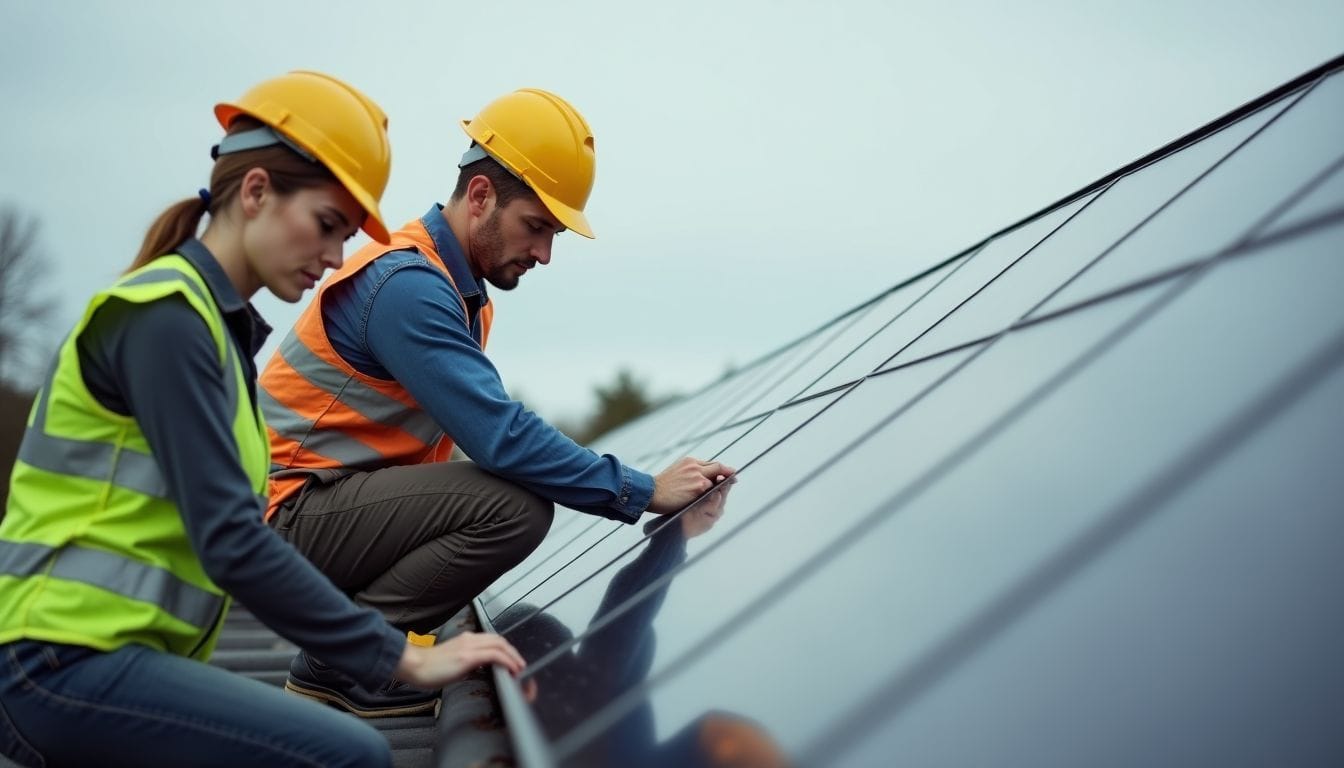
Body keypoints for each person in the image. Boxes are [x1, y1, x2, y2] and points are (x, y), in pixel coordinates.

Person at [0, 72, 527, 768]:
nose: (337, 257)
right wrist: (396, 657)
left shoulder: (214, 337)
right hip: (58, 666)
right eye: (327, 225)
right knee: (351, 754)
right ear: (255, 193)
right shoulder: (166, 322)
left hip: (111, 662)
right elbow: (232, 541)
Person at [257, 88, 733, 717]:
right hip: (287, 518)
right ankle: (347, 663)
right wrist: (642, 491)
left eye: (553, 234)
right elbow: (501, 436)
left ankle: (362, 647)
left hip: (324, 511)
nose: (544, 253)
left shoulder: (453, 290)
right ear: (480, 196)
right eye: (535, 227)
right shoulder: (408, 288)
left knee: (514, 538)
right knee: (515, 506)